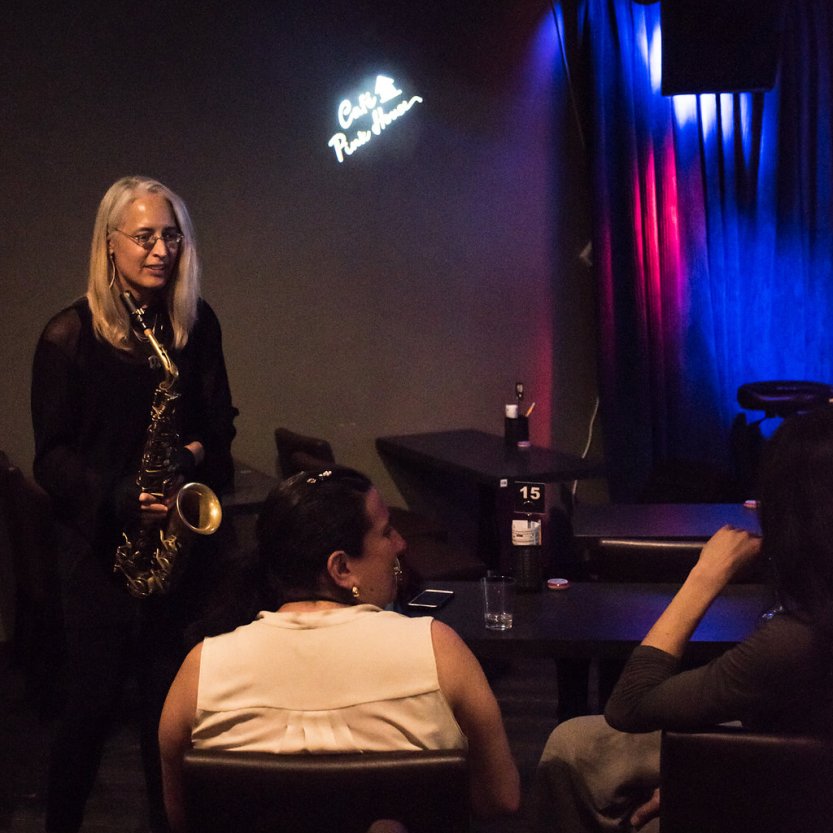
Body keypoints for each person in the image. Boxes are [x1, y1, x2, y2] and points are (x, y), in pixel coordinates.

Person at [31, 175, 237, 833]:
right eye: (144, 236)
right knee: (89, 711)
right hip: (97, 551)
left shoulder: (195, 323)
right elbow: (51, 457)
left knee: (167, 717)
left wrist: (189, 463)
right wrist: (120, 495)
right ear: (110, 243)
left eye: (171, 236)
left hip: (172, 548)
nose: (160, 250)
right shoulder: (68, 334)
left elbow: (219, 427)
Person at [158, 467, 521, 832]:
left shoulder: (201, 668)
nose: (400, 544)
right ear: (342, 568)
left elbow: (182, 817)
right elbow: (501, 796)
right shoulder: (438, 649)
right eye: (386, 532)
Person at [532, 406, 833, 833]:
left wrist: (704, 577)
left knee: (572, 749)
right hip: (790, 763)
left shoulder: (798, 639)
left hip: (788, 791)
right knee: (574, 742)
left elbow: (629, 705)